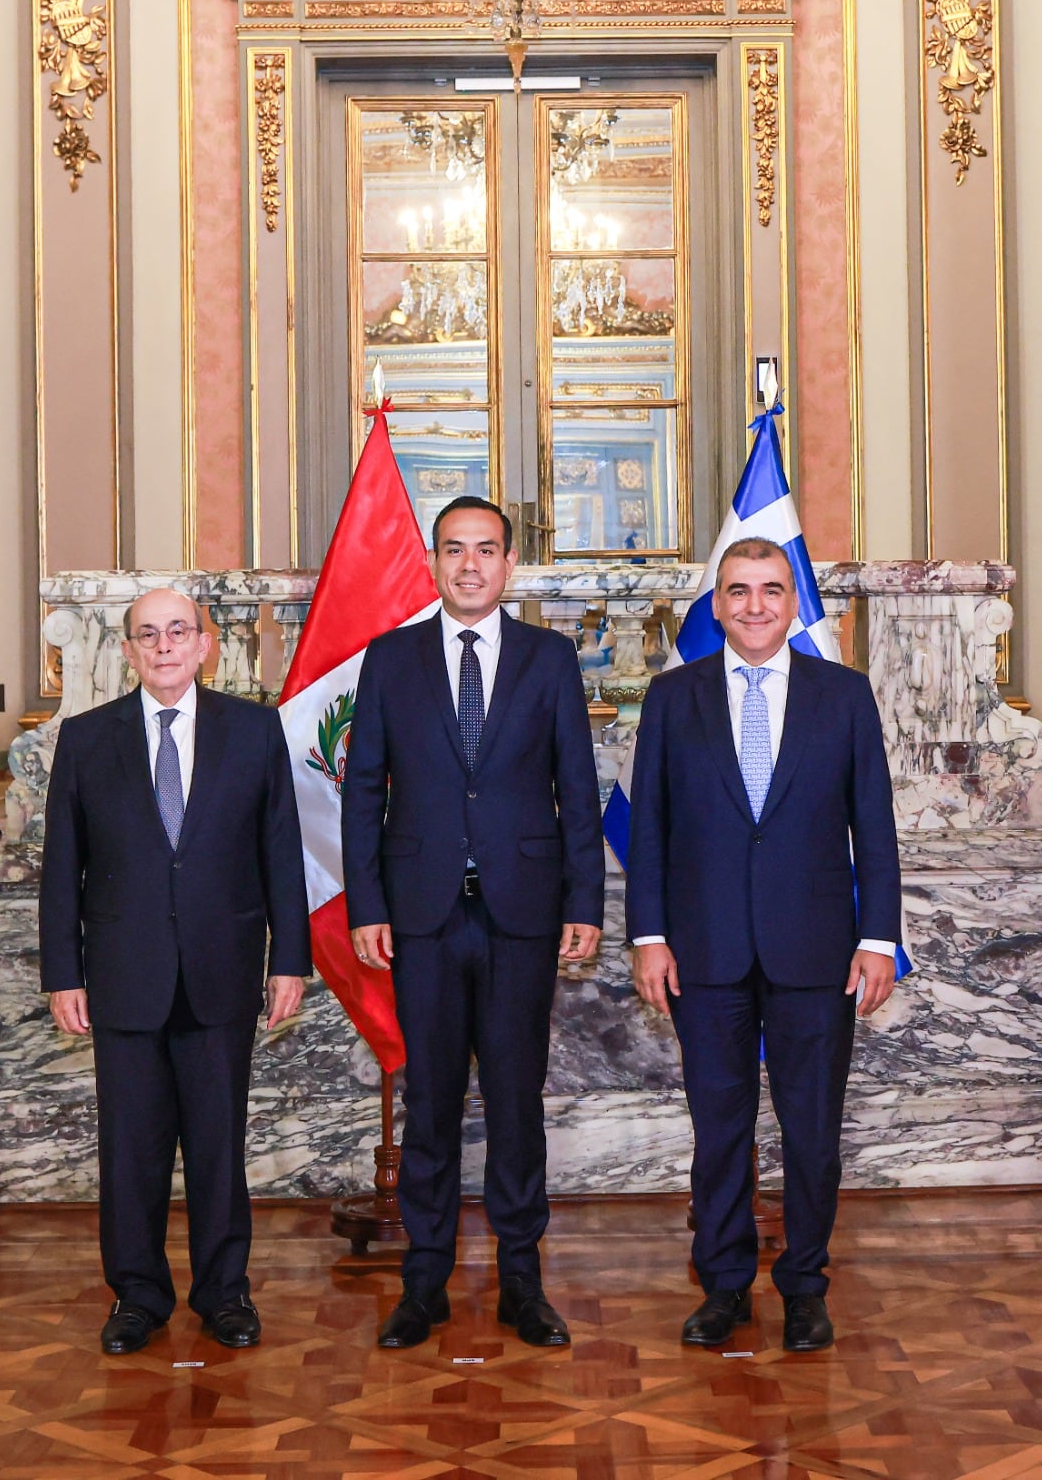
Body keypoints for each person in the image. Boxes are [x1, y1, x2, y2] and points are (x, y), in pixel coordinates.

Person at [624, 537, 902, 1353]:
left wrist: (879, 938)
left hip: (816, 954)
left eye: (771, 590)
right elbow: (651, 833)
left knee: (812, 1131)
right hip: (702, 955)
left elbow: (874, 831)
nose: (753, 605)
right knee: (719, 1131)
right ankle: (723, 1288)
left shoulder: (844, 696)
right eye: (738, 591)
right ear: (716, 605)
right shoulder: (674, 698)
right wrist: (649, 936)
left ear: (794, 604)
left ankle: (806, 1288)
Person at [341, 496, 606, 1350]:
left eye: (486, 550)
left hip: (522, 915)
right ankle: (424, 1286)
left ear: (509, 564)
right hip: (420, 917)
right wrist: (368, 904)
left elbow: (578, 795)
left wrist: (585, 904)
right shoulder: (390, 659)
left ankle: (522, 1283)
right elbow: (362, 793)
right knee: (431, 1105)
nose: (469, 566)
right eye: (454, 550)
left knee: (518, 1102)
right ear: (432, 560)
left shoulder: (549, 660)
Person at [39, 587, 310, 1356]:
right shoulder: (89, 741)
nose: (163, 646)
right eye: (147, 635)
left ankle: (224, 1294)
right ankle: (137, 1296)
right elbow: (64, 869)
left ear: (205, 646)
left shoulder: (255, 732)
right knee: (133, 1148)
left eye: (178, 632)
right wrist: (64, 972)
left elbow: (280, 854)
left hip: (222, 972)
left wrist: (288, 960)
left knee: (219, 1144)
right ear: (127, 652)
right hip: (123, 978)